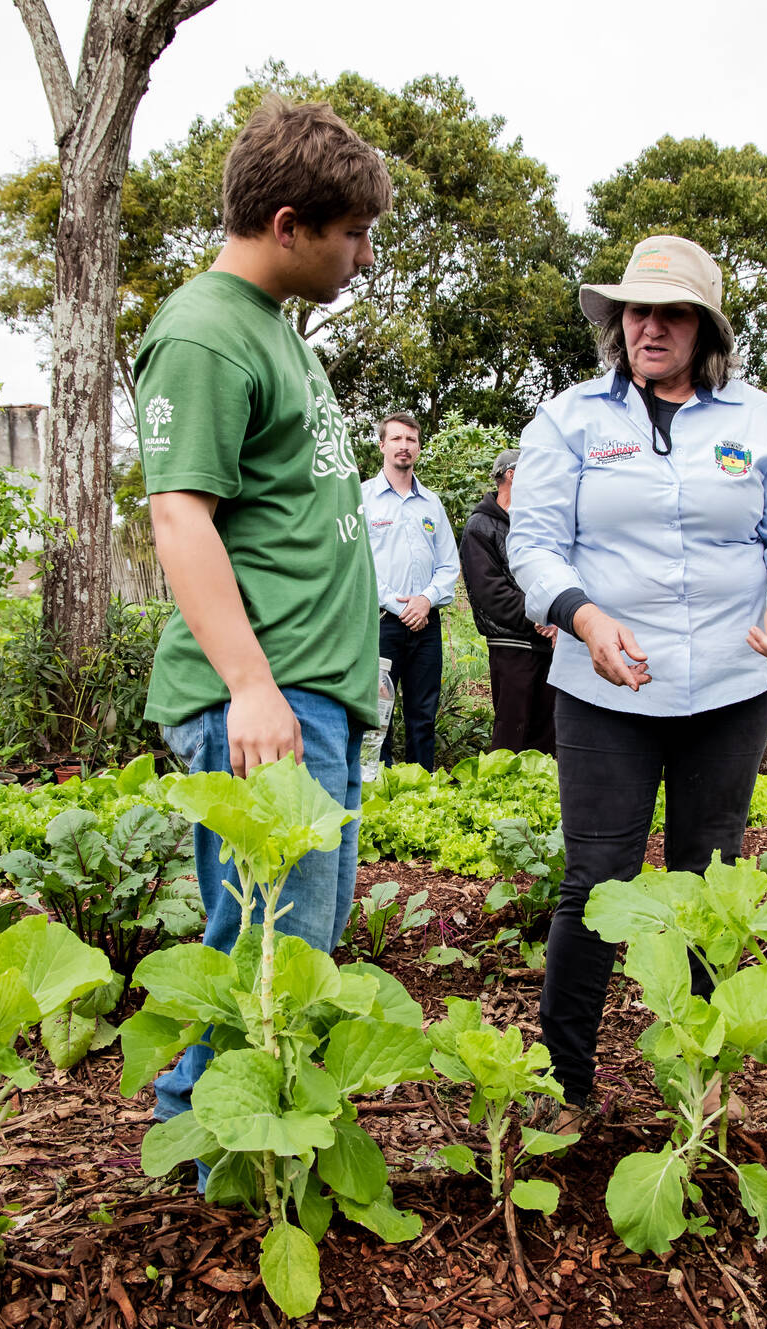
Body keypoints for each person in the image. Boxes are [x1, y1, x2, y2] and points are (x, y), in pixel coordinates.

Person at [508, 234, 767, 1126]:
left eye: (672, 312)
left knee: (709, 873)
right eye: (635, 311)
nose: (649, 326)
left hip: (733, 678)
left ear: (704, 327)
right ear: (617, 322)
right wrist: (580, 611)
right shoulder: (569, 419)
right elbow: (531, 541)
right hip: (605, 682)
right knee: (597, 880)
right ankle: (563, 1082)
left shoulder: (760, 422)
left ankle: (697, 1076)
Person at [136, 97, 391, 1131]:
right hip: (266, 697)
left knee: (293, 942)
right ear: (288, 226)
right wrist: (249, 685)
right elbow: (177, 515)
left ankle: (233, 1150)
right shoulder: (203, 335)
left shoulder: (273, 330)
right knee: (265, 949)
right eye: (353, 234)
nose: (364, 257)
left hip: (306, 696)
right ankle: (205, 1153)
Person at [363, 412, 459, 770]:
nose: (404, 446)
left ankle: (422, 785)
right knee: (378, 712)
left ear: (418, 448)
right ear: (382, 445)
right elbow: (359, 564)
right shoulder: (363, 499)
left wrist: (426, 600)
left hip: (426, 626)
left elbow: (449, 563)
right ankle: (377, 783)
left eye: (411, 440)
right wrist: (398, 604)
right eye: (397, 439)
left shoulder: (431, 504)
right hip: (383, 624)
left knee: (423, 714)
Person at [460, 447, 556, 754]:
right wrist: (540, 615)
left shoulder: (537, 523)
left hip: (549, 644)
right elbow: (491, 594)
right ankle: (499, 795)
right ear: (512, 476)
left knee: (548, 733)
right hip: (512, 646)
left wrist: (558, 617)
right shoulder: (480, 527)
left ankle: (541, 798)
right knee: (512, 735)